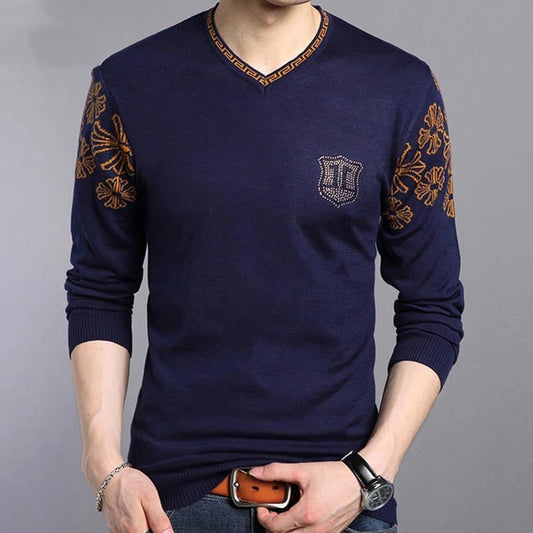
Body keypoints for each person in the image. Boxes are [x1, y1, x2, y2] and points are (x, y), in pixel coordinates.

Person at [64, 0, 465, 532]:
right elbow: (99, 289)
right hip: (171, 505)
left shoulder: (400, 88)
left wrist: (368, 474)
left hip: (340, 505)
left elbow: (433, 306)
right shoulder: (128, 84)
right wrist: (104, 467)